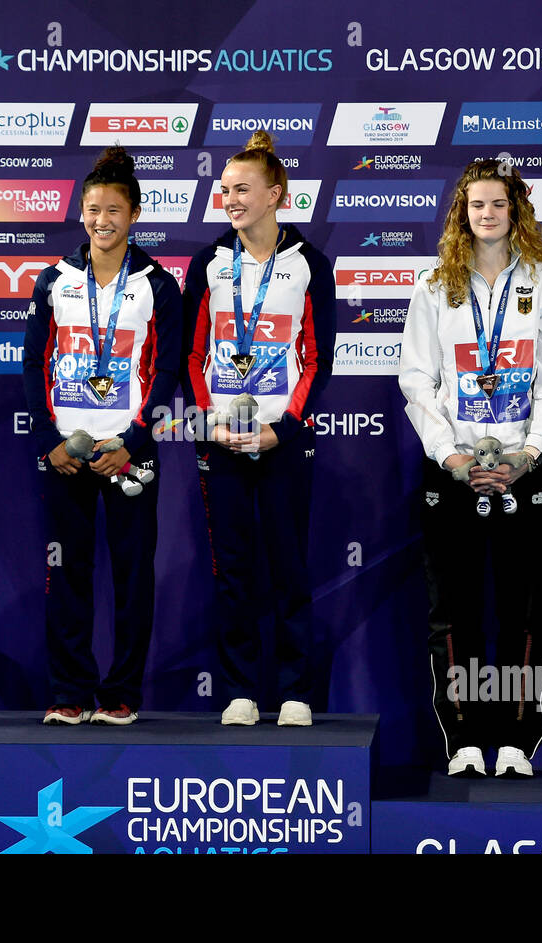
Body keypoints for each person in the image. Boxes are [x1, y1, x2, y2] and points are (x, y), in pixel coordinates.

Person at [399, 159, 542, 776]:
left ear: (516, 210)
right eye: (477, 204)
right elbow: (418, 381)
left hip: (527, 469)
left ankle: (517, 742)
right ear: (462, 212)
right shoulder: (434, 285)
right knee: (454, 613)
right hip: (453, 469)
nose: (488, 214)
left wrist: (529, 454)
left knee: (525, 613)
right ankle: (466, 738)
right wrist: (451, 455)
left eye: (499, 204)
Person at [23, 146, 182, 725]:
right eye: (93, 209)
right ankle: (69, 691)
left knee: (132, 577)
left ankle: (121, 694)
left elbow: (167, 373)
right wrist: (50, 442)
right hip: (66, 453)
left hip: (129, 453)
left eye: (114, 210)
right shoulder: (54, 280)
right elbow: (33, 364)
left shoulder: (158, 285)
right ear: (81, 213)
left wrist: (133, 444)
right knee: (67, 574)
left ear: (135, 214)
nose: (102, 220)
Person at [182, 130, 335, 727]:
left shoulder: (308, 265)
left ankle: (296, 690)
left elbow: (320, 358)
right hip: (220, 440)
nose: (230, 199)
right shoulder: (209, 264)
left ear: (276, 195)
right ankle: (239, 689)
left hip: (283, 439)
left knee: (290, 566)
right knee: (234, 570)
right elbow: (192, 356)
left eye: (242, 189)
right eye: (224, 190)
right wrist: (209, 422)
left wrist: (285, 428)